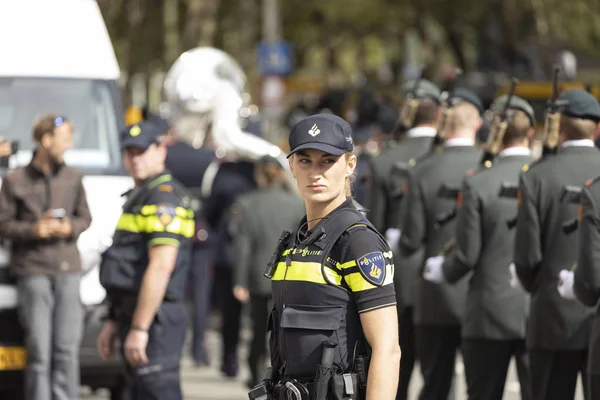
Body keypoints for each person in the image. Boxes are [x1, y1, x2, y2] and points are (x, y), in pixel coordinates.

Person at [257, 114, 401, 400]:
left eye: (327, 161)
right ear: (291, 167)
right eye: (305, 161)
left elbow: (387, 349)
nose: (315, 173)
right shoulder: (296, 240)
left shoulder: (357, 241)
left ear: (350, 165)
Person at [423, 96, 536, 400]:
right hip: (534, 311)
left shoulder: (480, 181)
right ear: (532, 132)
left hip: (488, 313)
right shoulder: (543, 175)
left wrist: (443, 270)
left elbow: (466, 254)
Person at [96, 121, 195, 399]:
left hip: (156, 321)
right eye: (129, 152)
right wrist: (114, 320)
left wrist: (140, 328)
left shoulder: (163, 198)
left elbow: (161, 266)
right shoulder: (140, 195)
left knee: (156, 391)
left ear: (160, 151)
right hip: (136, 314)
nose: (134, 159)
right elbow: (127, 266)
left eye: (141, 151)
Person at [514, 88, 600, 400]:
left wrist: (537, 285)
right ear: (597, 128)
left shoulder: (536, 175)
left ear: (558, 126)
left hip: (552, 317)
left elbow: (526, 258)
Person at [398, 89, 483, 400]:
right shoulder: (489, 167)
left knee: (435, 384)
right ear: (477, 124)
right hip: (477, 294)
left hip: (434, 295)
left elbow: (410, 240)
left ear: (444, 126)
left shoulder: (422, 170)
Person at [0, 114, 91, 400]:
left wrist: (69, 227)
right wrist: (34, 229)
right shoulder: (15, 180)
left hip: (68, 269)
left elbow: (85, 217)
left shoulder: (74, 176)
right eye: (65, 138)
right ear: (46, 140)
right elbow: (3, 225)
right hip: (33, 270)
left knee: (66, 349)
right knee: (39, 350)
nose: (69, 144)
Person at [383, 79, 442, 400]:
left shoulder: (385, 160)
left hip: (397, 283)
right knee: (439, 377)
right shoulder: (460, 159)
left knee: (396, 373)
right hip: (448, 284)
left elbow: (373, 232)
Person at [230, 155, 305, 389]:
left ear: (259, 174)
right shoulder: (297, 204)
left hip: (257, 276)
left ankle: (254, 374)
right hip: (288, 276)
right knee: (284, 329)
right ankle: (282, 374)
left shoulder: (247, 202)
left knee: (257, 327)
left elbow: (244, 246)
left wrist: (239, 281)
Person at [150, 114, 216, 366]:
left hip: (168, 230)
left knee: (171, 288)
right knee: (201, 295)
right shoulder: (207, 157)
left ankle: (170, 346)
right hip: (201, 231)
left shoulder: (164, 156)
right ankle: (199, 349)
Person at [365, 79, 440, 234]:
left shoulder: (383, 160)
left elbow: (375, 229)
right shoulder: (456, 156)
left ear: (404, 112)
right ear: (438, 114)